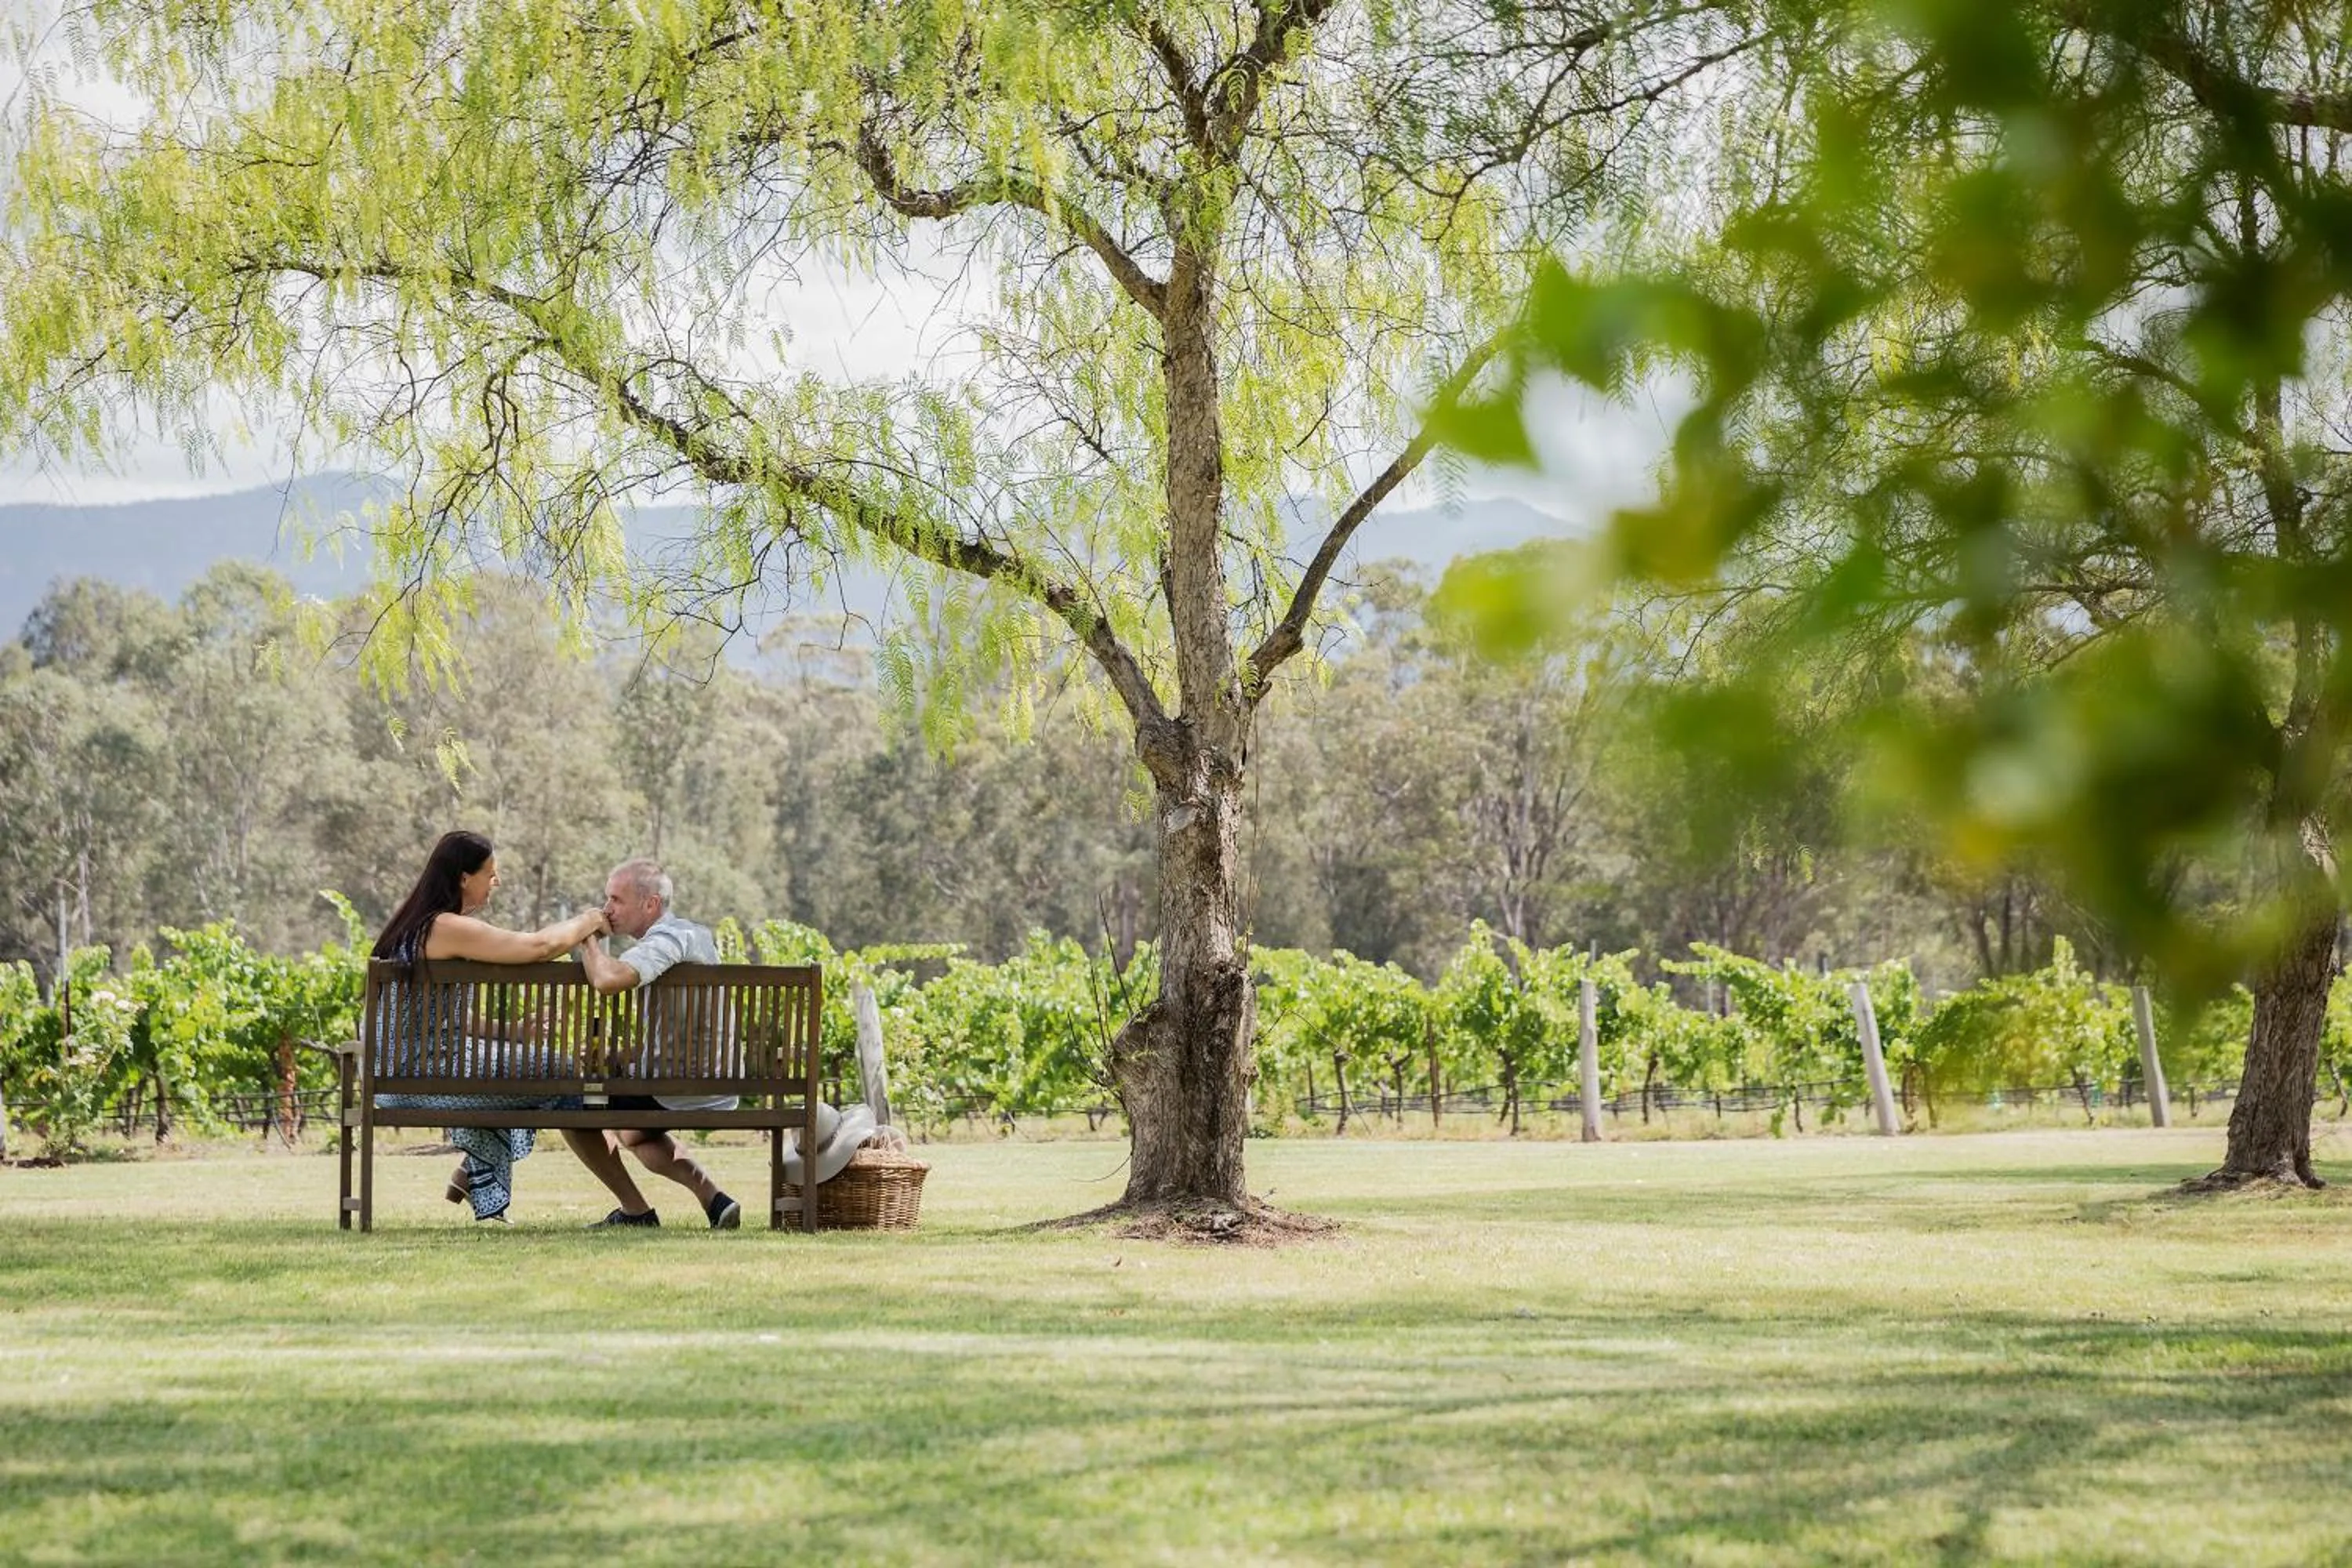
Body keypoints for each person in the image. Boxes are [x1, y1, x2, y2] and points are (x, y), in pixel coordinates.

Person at [371, 829, 608, 1223]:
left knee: (528, 1069)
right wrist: (587, 920)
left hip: (399, 1077)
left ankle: (472, 1172)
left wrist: (514, 1033)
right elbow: (536, 948)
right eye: (490, 873)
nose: (495, 882)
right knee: (562, 1072)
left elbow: (444, 1021)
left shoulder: (416, 924)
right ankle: (478, 1172)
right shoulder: (444, 926)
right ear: (464, 878)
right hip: (426, 1077)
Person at [563, 858, 745, 1229]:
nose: (607, 909)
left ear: (651, 905)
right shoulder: (692, 938)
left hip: (683, 1082)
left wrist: (587, 936)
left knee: (568, 1106)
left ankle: (636, 1211)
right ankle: (716, 1201)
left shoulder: (670, 938)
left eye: (616, 900)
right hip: (719, 1080)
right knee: (633, 1133)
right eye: (606, 900)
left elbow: (608, 981)